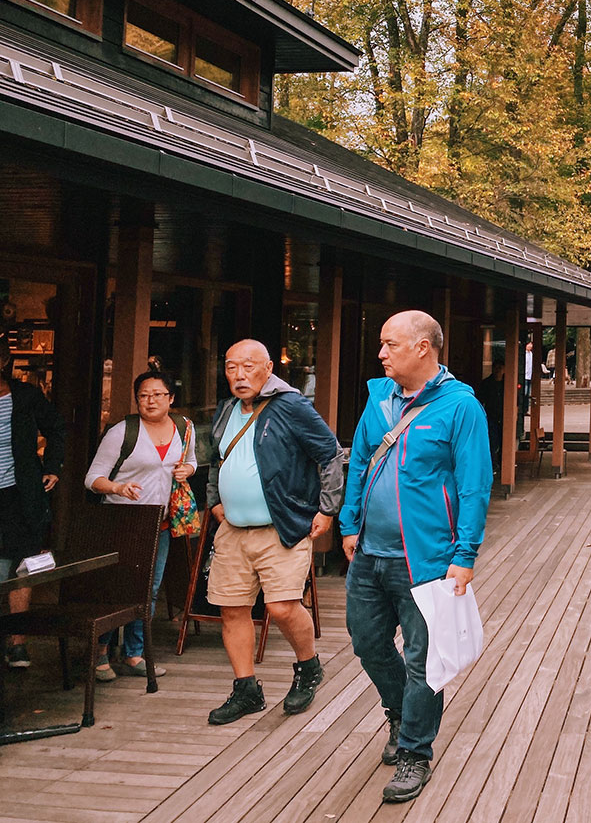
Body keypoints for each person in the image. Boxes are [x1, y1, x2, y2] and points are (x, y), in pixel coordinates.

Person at [340, 311, 493, 803]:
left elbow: (474, 485)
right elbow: (361, 459)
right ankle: (401, 712)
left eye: (390, 344)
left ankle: (414, 753)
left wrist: (464, 554)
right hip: (369, 552)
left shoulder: (460, 407)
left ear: (422, 348)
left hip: (426, 559)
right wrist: (349, 521)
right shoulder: (379, 399)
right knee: (366, 643)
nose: (381, 353)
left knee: (425, 661)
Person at [205, 339, 343, 725]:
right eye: (232, 367)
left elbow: (330, 454)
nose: (239, 375)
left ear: (268, 369)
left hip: (282, 525)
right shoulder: (228, 409)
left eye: (248, 366)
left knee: (281, 606)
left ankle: (308, 666)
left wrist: (327, 509)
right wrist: (215, 499)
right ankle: (246, 687)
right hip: (233, 528)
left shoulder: (292, 406)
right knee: (232, 609)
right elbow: (218, 457)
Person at [83, 370, 195, 681]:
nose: (150, 401)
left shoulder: (185, 428)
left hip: (158, 523)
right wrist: (118, 488)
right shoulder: (122, 431)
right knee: (114, 588)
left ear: (171, 398)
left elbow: (192, 461)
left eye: (158, 394)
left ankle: (134, 653)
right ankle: (101, 652)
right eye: (144, 395)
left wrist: (187, 469)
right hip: (121, 523)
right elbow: (92, 478)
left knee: (149, 588)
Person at [0, 338, 64, 669]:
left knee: (22, 565)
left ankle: (18, 642)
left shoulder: (24, 396)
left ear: (4, 360)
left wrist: (52, 467)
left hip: (18, 492)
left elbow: (56, 428)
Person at [478, 358, 506, 475]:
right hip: (490, 416)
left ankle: (503, 463)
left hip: (504, 416)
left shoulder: (507, 384)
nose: (498, 370)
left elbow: (516, 401)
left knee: (504, 441)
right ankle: (492, 465)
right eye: (496, 368)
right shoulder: (486, 383)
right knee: (492, 441)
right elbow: (480, 401)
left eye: (500, 368)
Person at [523, 340, 534, 410]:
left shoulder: (531, 354)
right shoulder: (524, 354)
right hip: (525, 376)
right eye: (529, 344)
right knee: (524, 393)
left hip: (529, 376)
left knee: (528, 394)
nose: (530, 346)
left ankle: (526, 409)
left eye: (531, 344)